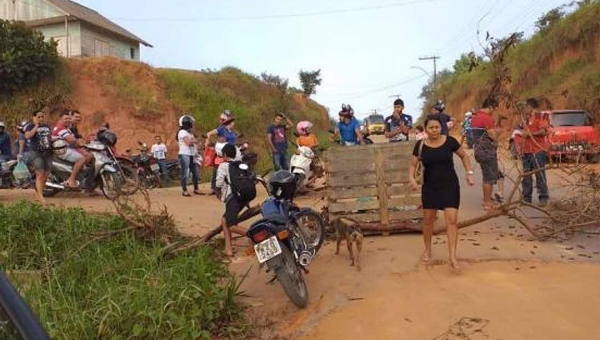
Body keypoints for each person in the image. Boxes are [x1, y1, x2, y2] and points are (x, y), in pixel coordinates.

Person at [408, 115, 475, 269]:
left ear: (441, 127)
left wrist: (469, 173)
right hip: (430, 187)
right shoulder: (420, 145)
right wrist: (411, 178)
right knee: (428, 220)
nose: (434, 130)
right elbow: (413, 164)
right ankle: (427, 248)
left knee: (451, 220)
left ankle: (452, 255)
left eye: (437, 127)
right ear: (426, 130)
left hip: (449, 185)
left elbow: (464, 156)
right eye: (431, 128)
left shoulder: (450, 141)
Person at [514, 98, 550, 207]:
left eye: (526, 107)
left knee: (539, 174)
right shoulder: (524, 119)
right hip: (526, 150)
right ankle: (526, 198)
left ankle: (543, 197)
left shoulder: (540, 117)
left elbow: (543, 131)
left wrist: (530, 134)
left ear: (530, 106)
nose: (524, 109)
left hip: (537, 150)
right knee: (526, 174)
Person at [216, 144, 249, 257]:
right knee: (224, 220)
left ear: (224, 154)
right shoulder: (240, 165)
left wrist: (218, 193)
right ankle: (228, 248)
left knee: (230, 224)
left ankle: (255, 236)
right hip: (243, 197)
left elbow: (219, 183)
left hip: (233, 198)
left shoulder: (223, 166)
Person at [470, 98, 502, 211]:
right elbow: (493, 136)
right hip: (487, 151)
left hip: (478, 150)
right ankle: (487, 203)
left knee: (487, 175)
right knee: (488, 178)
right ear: (491, 107)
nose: (494, 111)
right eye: (494, 109)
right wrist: (499, 130)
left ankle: (488, 199)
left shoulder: (474, 117)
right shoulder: (487, 118)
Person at [52, 111, 87, 189]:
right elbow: (72, 140)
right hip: (62, 150)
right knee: (81, 159)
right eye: (65, 119)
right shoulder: (61, 128)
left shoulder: (65, 128)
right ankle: (71, 179)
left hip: (65, 149)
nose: (68, 120)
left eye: (69, 118)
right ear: (60, 119)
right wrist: (78, 143)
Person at [24, 110, 53, 205]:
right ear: (34, 117)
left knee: (46, 174)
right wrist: (36, 126)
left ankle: (38, 193)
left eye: (42, 116)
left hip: (48, 152)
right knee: (39, 174)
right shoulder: (29, 126)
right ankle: (41, 197)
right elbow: (28, 136)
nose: (41, 118)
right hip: (36, 152)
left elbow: (50, 137)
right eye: (39, 117)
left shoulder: (47, 126)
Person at [206, 110, 238, 194]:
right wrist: (208, 142)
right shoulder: (221, 129)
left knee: (229, 170)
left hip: (231, 153)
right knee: (217, 170)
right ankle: (214, 188)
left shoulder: (232, 132)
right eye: (232, 122)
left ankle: (227, 186)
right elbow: (209, 133)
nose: (234, 124)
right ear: (229, 122)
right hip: (221, 153)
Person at [177, 114, 202, 196]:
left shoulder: (189, 132)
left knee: (195, 173)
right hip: (185, 154)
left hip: (191, 154)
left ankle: (196, 189)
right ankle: (184, 190)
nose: (192, 124)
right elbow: (188, 143)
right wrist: (194, 140)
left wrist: (193, 140)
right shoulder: (182, 132)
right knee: (184, 173)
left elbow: (193, 141)